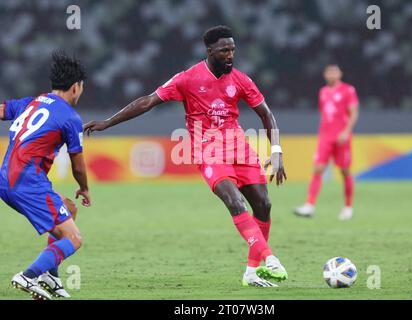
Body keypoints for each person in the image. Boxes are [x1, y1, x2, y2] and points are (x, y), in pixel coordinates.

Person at [84, 25, 288, 287]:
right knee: (235, 202)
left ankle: (251, 272)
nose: (230, 55)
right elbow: (147, 101)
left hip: (239, 148)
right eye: (225, 50)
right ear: (210, 50)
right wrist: (107, 122)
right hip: (208, 150)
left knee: (264, 205)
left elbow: (266, 114)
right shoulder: (186, 79)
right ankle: (270, 259)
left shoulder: (240, 79)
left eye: (233, 50)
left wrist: (277, 151)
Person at [0, 50, 91, 299]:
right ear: (75, 87)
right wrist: (84, 187)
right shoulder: (70, 117)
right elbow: (78, 165)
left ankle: (50, 275)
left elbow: (1, 110)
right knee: (73, 239)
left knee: (68, 209)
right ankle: (29, 276)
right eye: (82, 88)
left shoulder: (31, 103)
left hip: (6, 179)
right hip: (27, 183)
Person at [294, 64, 359, 220]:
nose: (331, 74)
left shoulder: (348, 90)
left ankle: (348, 207)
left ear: (340, 74)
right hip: (325, 137)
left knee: (345, 171)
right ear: (325, 75)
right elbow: (324, 114)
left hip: (342, 137)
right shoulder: (323, 92)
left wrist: (346, 132)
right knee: (318, 168)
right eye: (328, 72)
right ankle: (309, 205)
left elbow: (354, 113)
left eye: (334, 72)